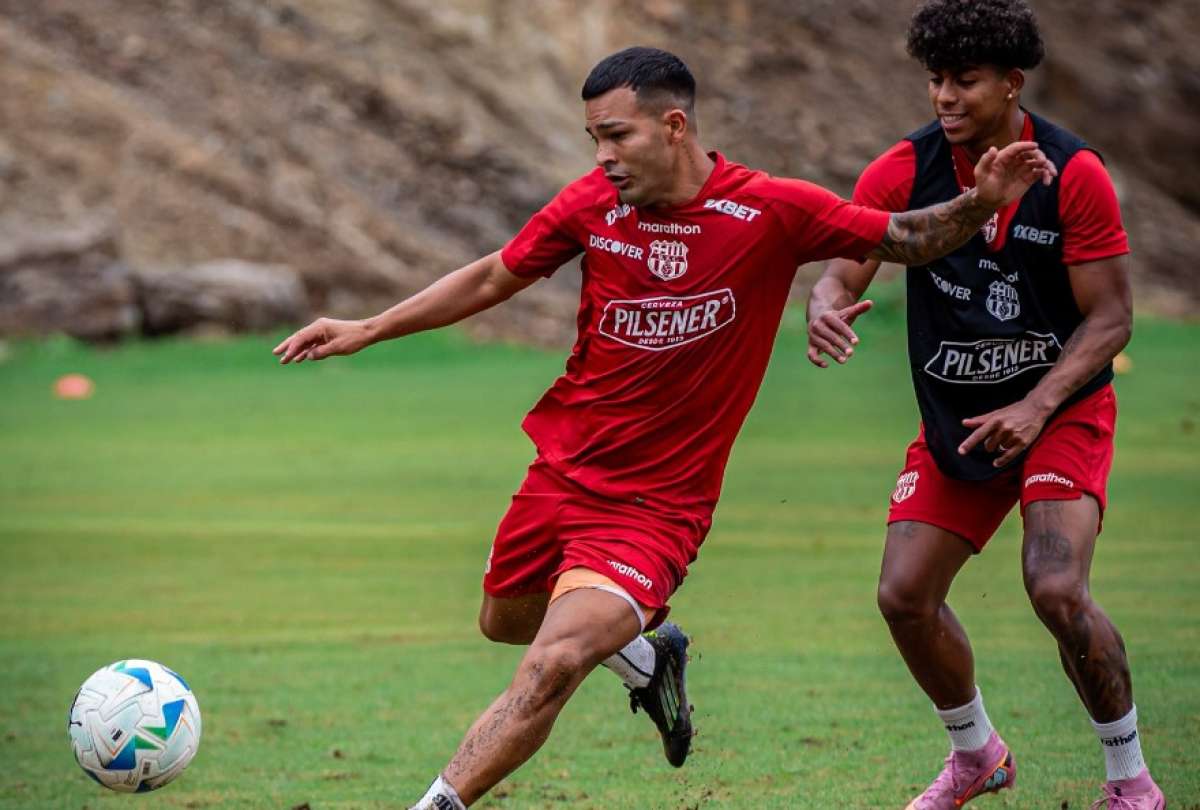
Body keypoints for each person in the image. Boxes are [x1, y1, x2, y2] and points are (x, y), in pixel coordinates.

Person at [275, 46, 1055, 810]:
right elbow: (491, 274)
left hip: (657, 507)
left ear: (674, 126)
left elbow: (902, 236)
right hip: (561, 474)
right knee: (506, 622)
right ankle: (649, 663)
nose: (604, 156)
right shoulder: (590, 206)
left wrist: (978, 203)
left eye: (618, 136)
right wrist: (369, 327)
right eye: (595, 140)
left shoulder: (770, 209)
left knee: (553, 664)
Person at [806, 2, 1164, 808]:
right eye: (935, 79)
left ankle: (1130, 781)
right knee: (902, 596)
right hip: (957, 424)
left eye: (964, 80)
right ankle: (977, 757)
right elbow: (843, 269)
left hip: (1059, 412)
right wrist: (825, 302)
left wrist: (1037, 406)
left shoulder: (1075, 175)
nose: (945, 96)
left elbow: (1112, 319)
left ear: (1011, 83)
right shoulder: (903, 169)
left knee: (1055, 589)